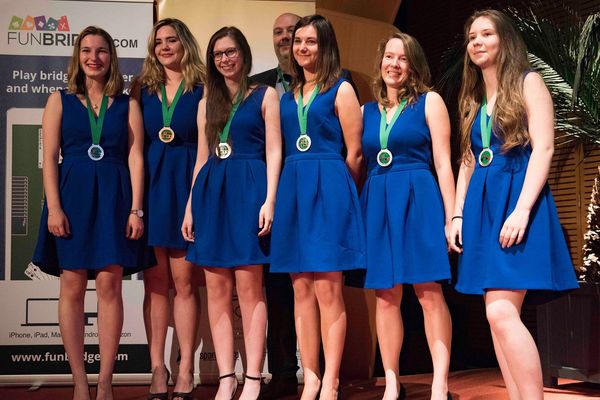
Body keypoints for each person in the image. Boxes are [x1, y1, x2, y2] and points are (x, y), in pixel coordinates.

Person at [450, 9, 579, 400]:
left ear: (504, 40)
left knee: (502, 312)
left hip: (517, 200)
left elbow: (544, 148)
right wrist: (457, 212)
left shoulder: (529, 81)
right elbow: (469, 160)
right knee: (495, 318)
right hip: (481, 207)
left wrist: (522, 209)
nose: (477, 42)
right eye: (472, 36)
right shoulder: (474, 97)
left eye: (486, 34)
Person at [251, 13, 360, 399]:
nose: (302, 48)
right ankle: (309, 376)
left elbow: (355, 152)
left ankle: (330, 379)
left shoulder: (341, 89)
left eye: (310, 41)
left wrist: (337, 190)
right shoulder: (287, 96)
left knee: (329, 290)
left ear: (325, 45)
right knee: (300, 291)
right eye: (298, 42)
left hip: (329, 188)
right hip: (293, 190)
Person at [32, 26, 145, 400]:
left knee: (111, 285)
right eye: (86, 51)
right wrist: (54, 208)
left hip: (115, 197)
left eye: (101, 51)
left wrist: (136, 209)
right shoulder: (58, 100)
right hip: (72, 198)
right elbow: (49, 159)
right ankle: (80, 380)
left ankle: (105, 381)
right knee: (72, 286)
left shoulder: (128, 104)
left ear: (111, 57)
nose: (93, 57)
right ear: (77, 57)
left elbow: (135, 156)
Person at [181, 26, 282, 400]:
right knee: (217, 290)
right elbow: (202, 158)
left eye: (231, 51)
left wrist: (270, 199)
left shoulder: (265, 95)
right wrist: (191, 206)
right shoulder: (207, 102)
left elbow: (274, 151)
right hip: (212, 193)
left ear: (244, 53)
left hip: (250, 189)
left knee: (250, 287)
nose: (225, 59)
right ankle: (227, 376)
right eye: (218, 53)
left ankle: (253, 376)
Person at [361, 32, 454, 400]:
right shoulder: (369, 111)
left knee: (429, 292)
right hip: (378, 200)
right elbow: (358, 160)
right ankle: (391, 381)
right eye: (388, 57)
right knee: (386, 296)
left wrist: (451, 217)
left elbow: (444, 164)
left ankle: (440, 382)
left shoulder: (429, 102)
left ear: (413, 66)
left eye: (402, 59)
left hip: (419, 197)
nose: (393, 65)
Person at [131, 18, 206, 400]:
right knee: (155, 285)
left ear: (184, 44)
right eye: (158, 41)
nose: (164, 47)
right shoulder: (141, 88)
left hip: (187, 188)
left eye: (171, 40)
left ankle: (185, 368)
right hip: (152, 189)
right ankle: (157, 368)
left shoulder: (201, 86)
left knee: (184, 284)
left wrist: (195, 200)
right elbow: (134, 147)